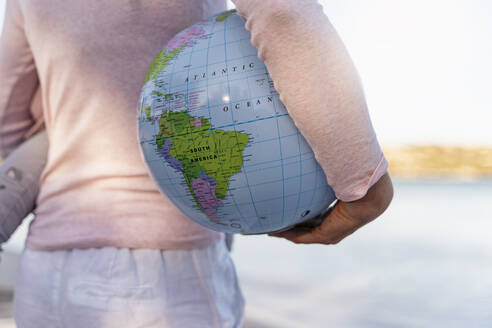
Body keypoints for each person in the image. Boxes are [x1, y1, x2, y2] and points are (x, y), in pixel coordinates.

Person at [0, 0, 393, 327]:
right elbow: (280, 12)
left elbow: (9, 119)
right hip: (166, 283)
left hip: (44, 278)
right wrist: (364, 184)